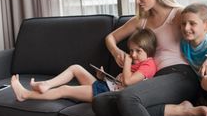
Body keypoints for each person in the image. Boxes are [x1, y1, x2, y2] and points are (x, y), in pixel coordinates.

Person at [10, 28, 158, 102]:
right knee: (76, 68)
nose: (132, 55)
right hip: (107, 87)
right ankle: (47, 84)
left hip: (107, 96)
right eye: (131, 51)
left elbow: (128, 82)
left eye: (138, 51)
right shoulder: (138, 62)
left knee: (65, 89)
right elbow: (120, 82)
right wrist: (103, 77)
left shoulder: (148, 65)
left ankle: (25, 95)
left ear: (149, 51)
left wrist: (126, 63)